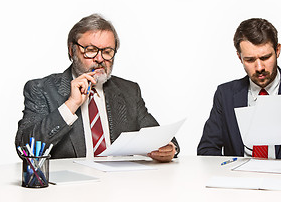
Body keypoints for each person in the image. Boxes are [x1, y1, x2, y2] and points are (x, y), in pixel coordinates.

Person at [15, 14, 179, 162]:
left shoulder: (129, 91)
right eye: (91, 50)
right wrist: (71, 104)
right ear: (72, 51)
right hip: (69, 189)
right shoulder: (41, 89)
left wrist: (169, 148)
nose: (100, 59)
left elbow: (163, 139)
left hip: (120, 186)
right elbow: (25, 147)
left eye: (107, 51)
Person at [197, 18, 281, 161]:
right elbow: (206, 150)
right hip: (240, 179)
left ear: (278, 50)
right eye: (250, 60)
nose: (259, 67)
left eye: (265, 57)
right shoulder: (225, 94)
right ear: (239, 57)